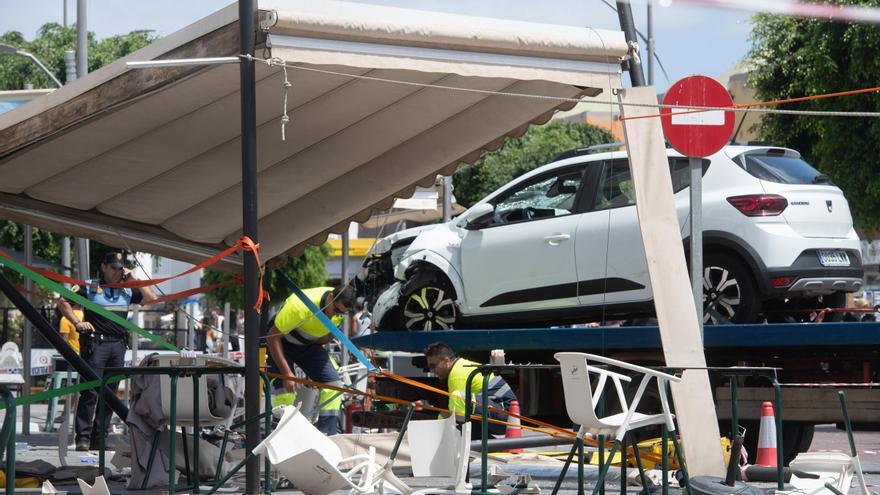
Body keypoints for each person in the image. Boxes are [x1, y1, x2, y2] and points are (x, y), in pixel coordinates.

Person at [57, 251, 157, 451]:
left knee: (110, 395)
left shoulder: (127, 289)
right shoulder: (91, 286)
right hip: (96, 345)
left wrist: (133, 278)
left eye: (120, 269)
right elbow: (62, 301)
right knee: (90, 392)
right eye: (113, 268)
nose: (116, 273)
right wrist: (78, 322)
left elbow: (152, 298)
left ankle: (99, 438)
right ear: (103, 267)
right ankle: (83, 438)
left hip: (118, 346)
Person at [266, 285, 355, 435]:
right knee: (286, 392)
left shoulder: (338, 311)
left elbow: (321, 339)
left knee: (334, 386)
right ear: (330, 298)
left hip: (307, 346)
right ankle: (280, 437)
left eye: (342, 313)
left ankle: (328, 435)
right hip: (280, 344)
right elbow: (272, 337)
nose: (336, 316)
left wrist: (328, 337)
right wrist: (287, 373)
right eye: (337, 310)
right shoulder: (299, 306)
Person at [423, 342, 518, 439]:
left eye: (433, 366)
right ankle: (480, 442)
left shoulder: (457, 374)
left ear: (446, 361)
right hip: (505, 414)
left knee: (458, 399)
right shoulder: (459, 366)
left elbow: (454, 413)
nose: (431, 370)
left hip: (507, 416)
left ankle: (467, 441)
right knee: (452, 410)